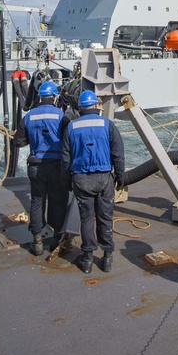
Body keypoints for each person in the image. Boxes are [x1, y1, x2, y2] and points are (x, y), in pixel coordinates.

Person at [61, 90, 126, 274]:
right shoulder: (107, 124)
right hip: (104, 179)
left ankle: (88, 259)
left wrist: (67, 182)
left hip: (81, 180)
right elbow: (118, 153)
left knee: (87, 219)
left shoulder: (72, 127)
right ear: (97, 106)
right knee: (105, 217)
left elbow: (65, 160)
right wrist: (120, 177)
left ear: (80, 107)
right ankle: (107, 258)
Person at [23, 81, 69, 256]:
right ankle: (56, 239)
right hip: (56, 166)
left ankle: (37, 242)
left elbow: (19, 141)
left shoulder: (28, 116)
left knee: (37, 201)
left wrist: (34, 140)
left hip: (36, 166)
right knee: (58, 200)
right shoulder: (61, 115)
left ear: (40, 97)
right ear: (55, 96)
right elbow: (68, 141)